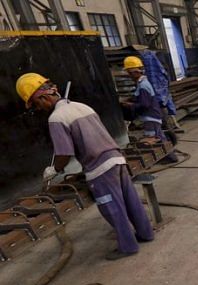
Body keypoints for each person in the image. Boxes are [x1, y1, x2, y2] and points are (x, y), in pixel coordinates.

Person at [15, 73, 154, 260]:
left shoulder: (56, 118)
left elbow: (64, 153)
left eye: (37, 104)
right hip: (117, 159)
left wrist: (54, 170)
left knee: (112, 208)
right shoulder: (82, 106)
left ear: (43, 97)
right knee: (131, 201)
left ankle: (128, 246)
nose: (39, 109)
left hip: (100, 169)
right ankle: (146, 234)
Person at [121, 56, 177, 162]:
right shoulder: (142, 83)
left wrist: (130, 105)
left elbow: (145, 104)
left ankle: (167, 157)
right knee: (159, 137)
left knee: (152, 139)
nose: (129, 76)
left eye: (130, 73)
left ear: (135, 72)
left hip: (150, 117)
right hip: (153, 116)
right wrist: (132, 99)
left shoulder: (143, 86)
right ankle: (169, 156)